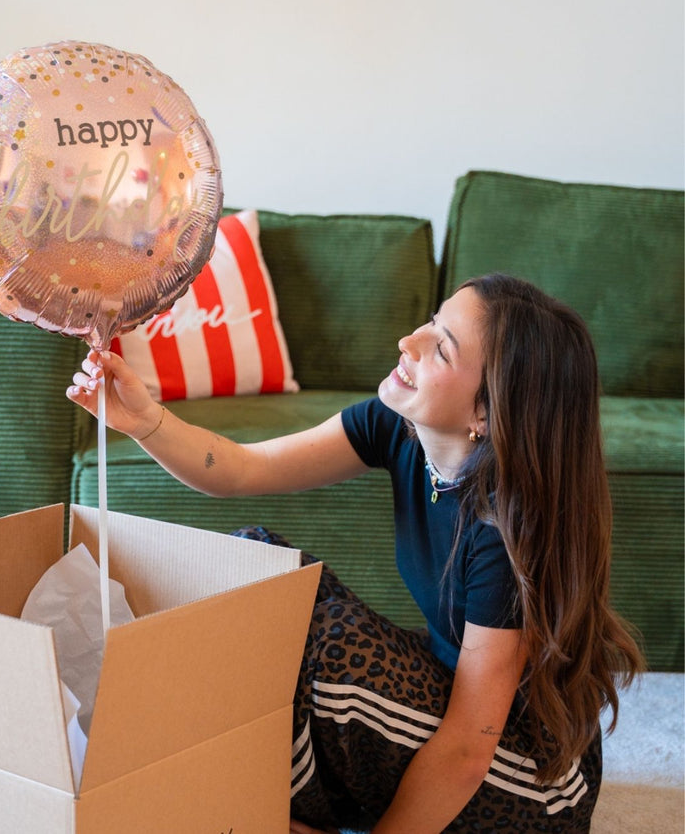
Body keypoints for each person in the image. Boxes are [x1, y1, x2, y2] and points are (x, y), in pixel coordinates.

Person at [66, 273, 644, 833]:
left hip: (534, 780)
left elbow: (470, 746)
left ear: (486, 415)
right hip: (447, 705)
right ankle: (228, 789)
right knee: (260, 566)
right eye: (430, 323)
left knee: (335, 653)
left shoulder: (503, 533)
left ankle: (246, 801)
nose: (409, 342)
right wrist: (146, 422)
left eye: (441, 350)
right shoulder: (397, 429)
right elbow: (244, 469)